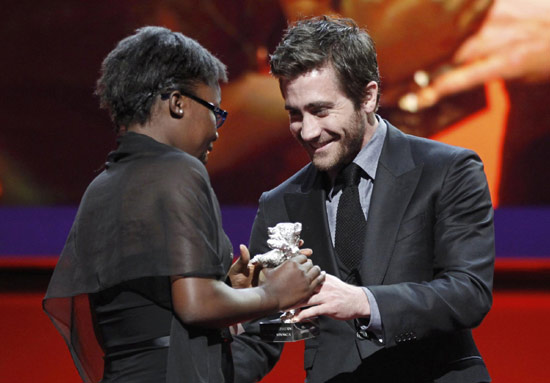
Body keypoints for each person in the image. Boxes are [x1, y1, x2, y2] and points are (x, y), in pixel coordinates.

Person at [42, 26, 324, 383]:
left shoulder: (102, 185)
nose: (216, 131)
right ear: (177, 103)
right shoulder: (178, 169)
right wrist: (275, 293)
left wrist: (227, 288)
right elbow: (196, 305)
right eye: (214, 111)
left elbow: (153, 306)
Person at [232, 16, 494, 383]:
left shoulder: (449, 170)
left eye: (321, 111)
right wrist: (238, 311)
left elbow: (469, 293)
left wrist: (364, 302)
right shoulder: (281, 202)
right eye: (295, 114)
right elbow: (265, 337)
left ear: (368, 96)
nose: (307, 132)